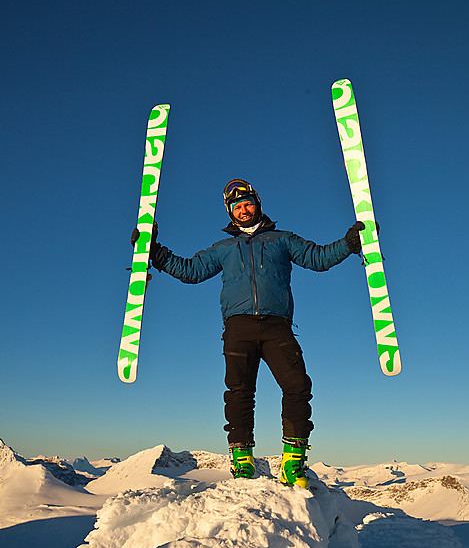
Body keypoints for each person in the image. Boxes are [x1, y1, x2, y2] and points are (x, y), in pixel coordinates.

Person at [144, 178, 364, 488]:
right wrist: (154, 252)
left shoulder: (281, 239)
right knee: (240, 392)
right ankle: (243, 462)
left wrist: (350, 244)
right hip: (238, 327)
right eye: (237, 206)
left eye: (248, 204)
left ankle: (292, 463)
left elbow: (318, 258)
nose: (244, 210)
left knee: (298, 386)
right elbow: (190, 272)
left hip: (277, 326)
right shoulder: (223, 248)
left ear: (257, 205)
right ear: (230, 212)